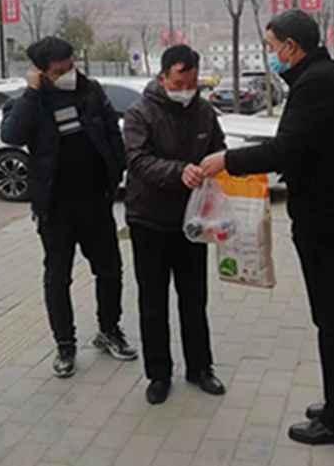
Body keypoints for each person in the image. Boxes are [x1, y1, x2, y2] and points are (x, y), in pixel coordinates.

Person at [201, 10, 334, 446]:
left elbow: (285, 150)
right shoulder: (322, 77)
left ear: (291, 47)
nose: (270, 54)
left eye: (271, 46)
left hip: (331, 222)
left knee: (333, 318)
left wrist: (227, 160)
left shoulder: (316, 84)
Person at [1, 37, 137, 378]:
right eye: (59, 70)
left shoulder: (90, 91)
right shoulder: (30, 101)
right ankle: (65, 345)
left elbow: (112, 132)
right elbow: (11, 135)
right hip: (55, 207)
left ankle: (109, 331)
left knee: (109, 270)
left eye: (70, 65)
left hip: (95, 201)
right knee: (57, 277)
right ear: (41, 72)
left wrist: (115, 173)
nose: (68, 73)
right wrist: (32, 93)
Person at [123, 45, 226, 405]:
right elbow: (137, 160)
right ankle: (158, 374)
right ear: (163, 77)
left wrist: (217, 166)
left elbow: (218, 149)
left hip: (192, 221)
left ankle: (200, 368)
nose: (186, 89)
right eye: (179, 82)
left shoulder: (204, 111)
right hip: (149, 220)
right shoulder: (140, 113)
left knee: (194, 298)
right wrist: (179, 171)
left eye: (192, 83)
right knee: (153, 301)